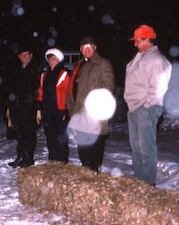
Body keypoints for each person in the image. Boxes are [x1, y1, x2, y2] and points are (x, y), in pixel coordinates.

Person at [124, 25, 172, 185]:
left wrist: (147, 104)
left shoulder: (156, 60)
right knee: (136, 147)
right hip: (134, 108)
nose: (135, 44)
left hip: (146, 108)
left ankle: (148, 183)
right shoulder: (139, 58)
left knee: (146, 148)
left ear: (147, 40)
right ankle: (139, 181)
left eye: (138, 40)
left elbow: (159, 86)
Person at [67, 36, 115, 172]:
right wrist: (70, 108)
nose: (86, 49)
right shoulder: (78, 65)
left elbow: (108, 86)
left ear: (95, 48)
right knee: (83, 148)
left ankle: (94, 174)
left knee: (95, 149)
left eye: (89, 47)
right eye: (84, 47)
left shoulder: (103, 63)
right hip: (79, 113)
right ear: (81, 50)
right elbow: (71, 90)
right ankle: (87, 172)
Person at [6, 48, 39, 168]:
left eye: (27, 55)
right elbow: (11, 87)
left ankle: (28, 158)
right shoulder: (17, 71)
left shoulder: (35, 70)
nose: (25, 57)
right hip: (17, 107)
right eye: (22, 55)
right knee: (19, 133)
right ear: (19, 57)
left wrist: (29, 100)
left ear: (31, 56)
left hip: (29, 108)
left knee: (29, 133)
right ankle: (20, 156)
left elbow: (37, 88)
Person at [36, 48, 70, 163]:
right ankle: (53, 160)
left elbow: (68, 92)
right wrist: (39, 107)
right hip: (47, 110)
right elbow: (41, 92)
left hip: (59, 110)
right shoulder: (44, 75)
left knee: (61, 136)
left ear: (59, 60)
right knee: (50, 135)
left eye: (54, 59)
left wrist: (66, 109)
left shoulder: (63, 73)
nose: (51, 61)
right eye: (50, 59)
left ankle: (62, 160)